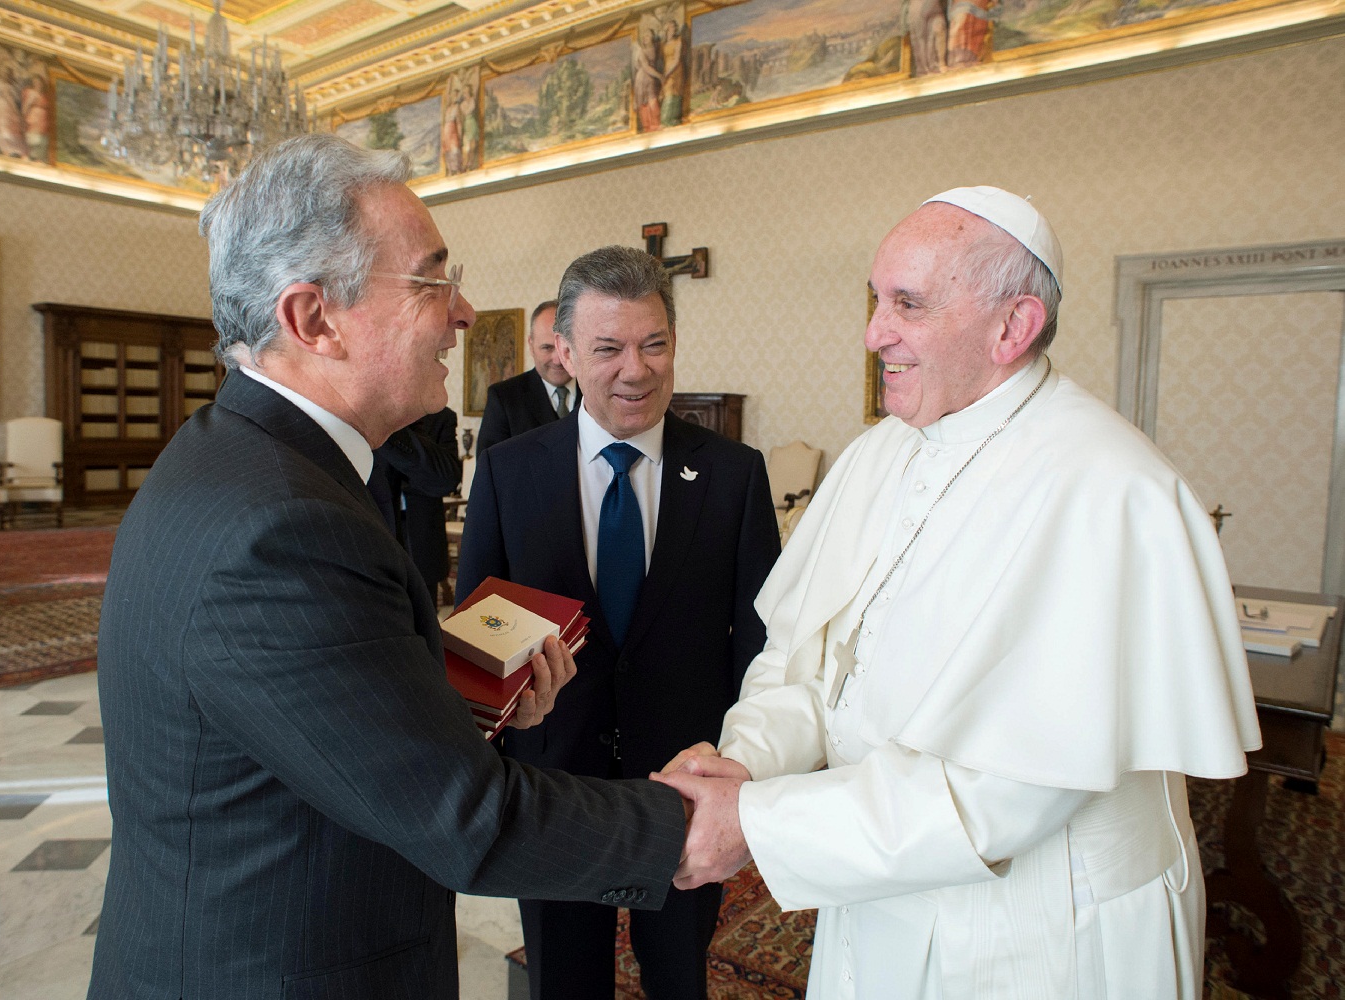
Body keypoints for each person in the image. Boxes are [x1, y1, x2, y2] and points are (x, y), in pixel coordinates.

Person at [89, 135, 689, 1000]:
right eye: (432, 280)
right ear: (313, 319)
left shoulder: (244, 458)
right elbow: (470, 824)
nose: (465, 312)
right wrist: (700, 824)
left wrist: (466, 707)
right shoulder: (284, 523)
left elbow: (316, 727)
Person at [656, 187, 1261, 999]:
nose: (875, 333)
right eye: (876, 300)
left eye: (908, 303)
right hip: (874, 883)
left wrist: (756, 824)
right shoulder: (879, 455)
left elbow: (1006, 795)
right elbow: (807, 663)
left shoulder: (1108, 489)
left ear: (1013, 327)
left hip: (1045, 931)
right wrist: (745, 760)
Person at [457, 244, 781, 1000]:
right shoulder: (509, 471)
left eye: (654, 344)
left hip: (683, 785)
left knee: (678, 976)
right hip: (551, 785)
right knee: (564, 980)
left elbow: (760, 645)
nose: (637, 369)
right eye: (608, 348)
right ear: (564, 354)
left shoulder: (735, 475)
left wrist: (740, 770)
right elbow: (480, 639)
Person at [368, 405, 460, 597]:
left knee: (425, 615)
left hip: (424, 533)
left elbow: (446, 480)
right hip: (377, 534)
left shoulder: (442, 416)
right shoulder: (366, 416)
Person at [475, 299, 580, 457]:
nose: (558, 360)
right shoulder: (504, 398)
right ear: (531, 345)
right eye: (547, 347)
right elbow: (491, 468)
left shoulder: (597, 390)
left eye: (565, 348)